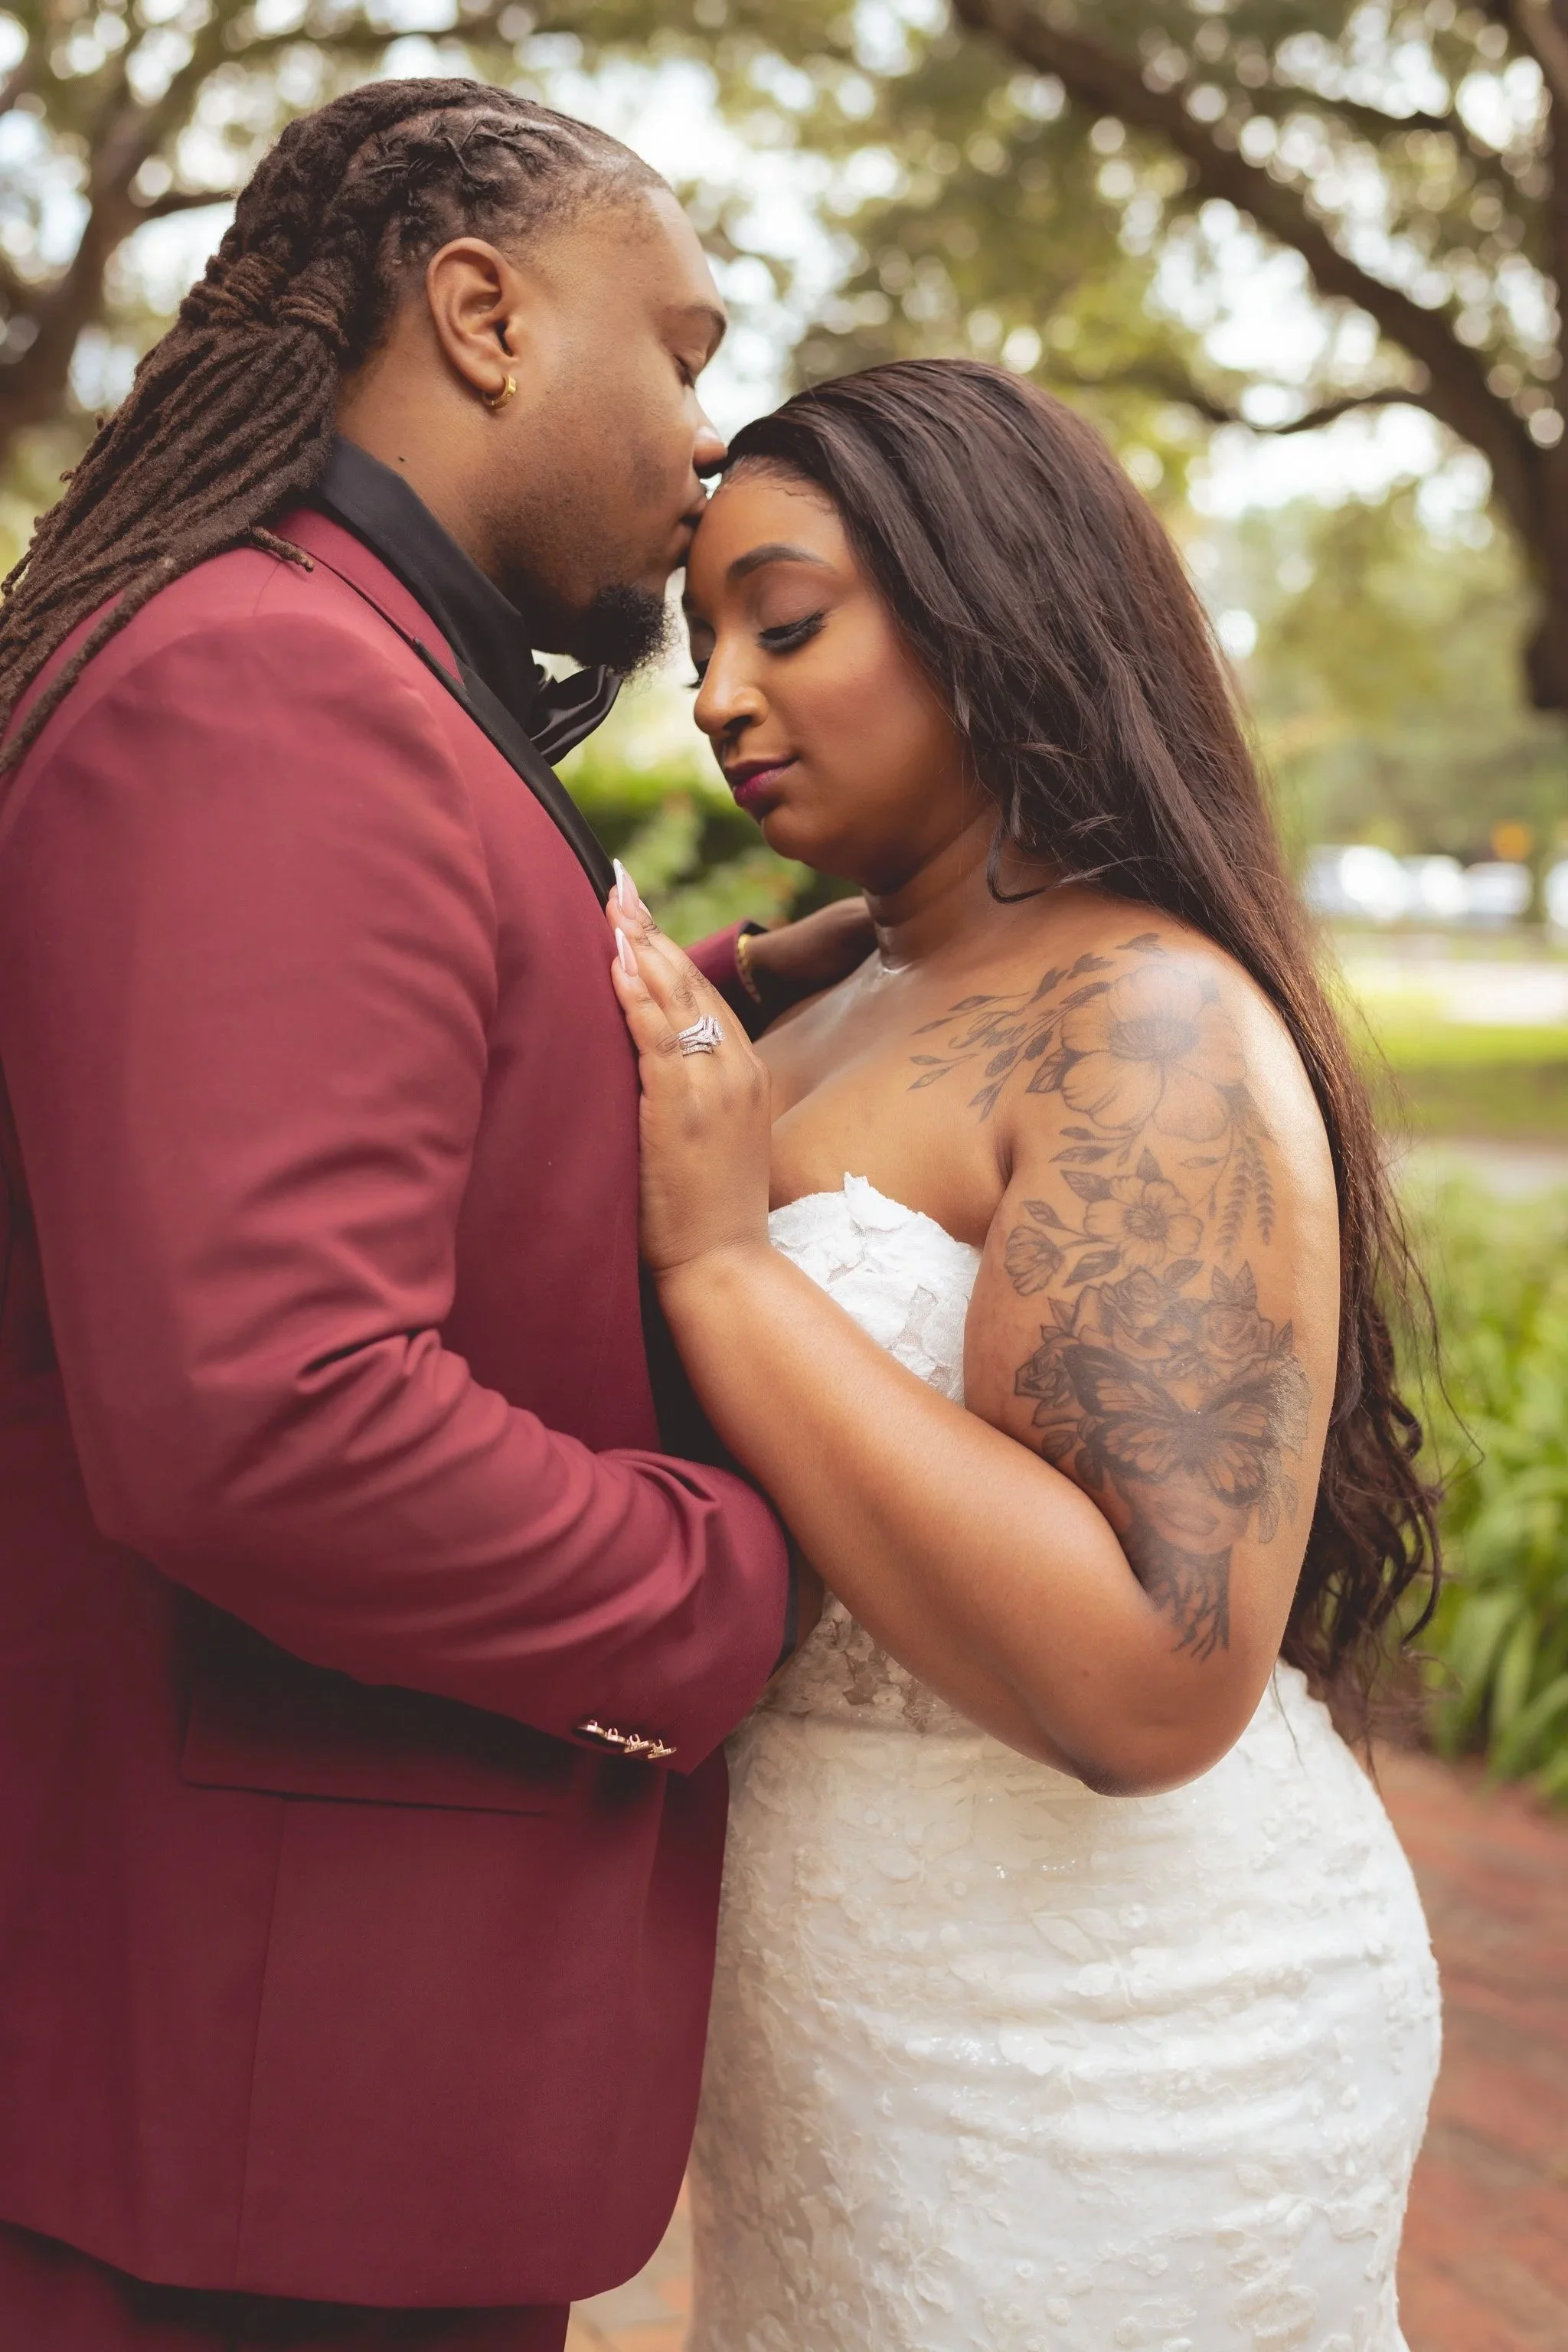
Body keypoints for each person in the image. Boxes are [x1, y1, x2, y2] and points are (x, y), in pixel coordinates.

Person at [0, 80, 867, 2352]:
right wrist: (731, 1593)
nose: (707, 436)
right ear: (480, 312)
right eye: (677, 351)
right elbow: (272, 1410)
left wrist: (863, 952)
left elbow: (459, 1070)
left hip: (316, 2112)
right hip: (239, 2152)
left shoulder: (346, 666)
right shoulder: (273, 689)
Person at [604, 357, 1444, 2351]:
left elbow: (1155, 1671)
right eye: (702, 638)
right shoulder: (832, 996)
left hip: (1113, 2055)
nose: (719, 695)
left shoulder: (1140, 1019)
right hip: (830, 2060)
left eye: (785, 624)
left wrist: (725, 1269)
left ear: (989, 613)